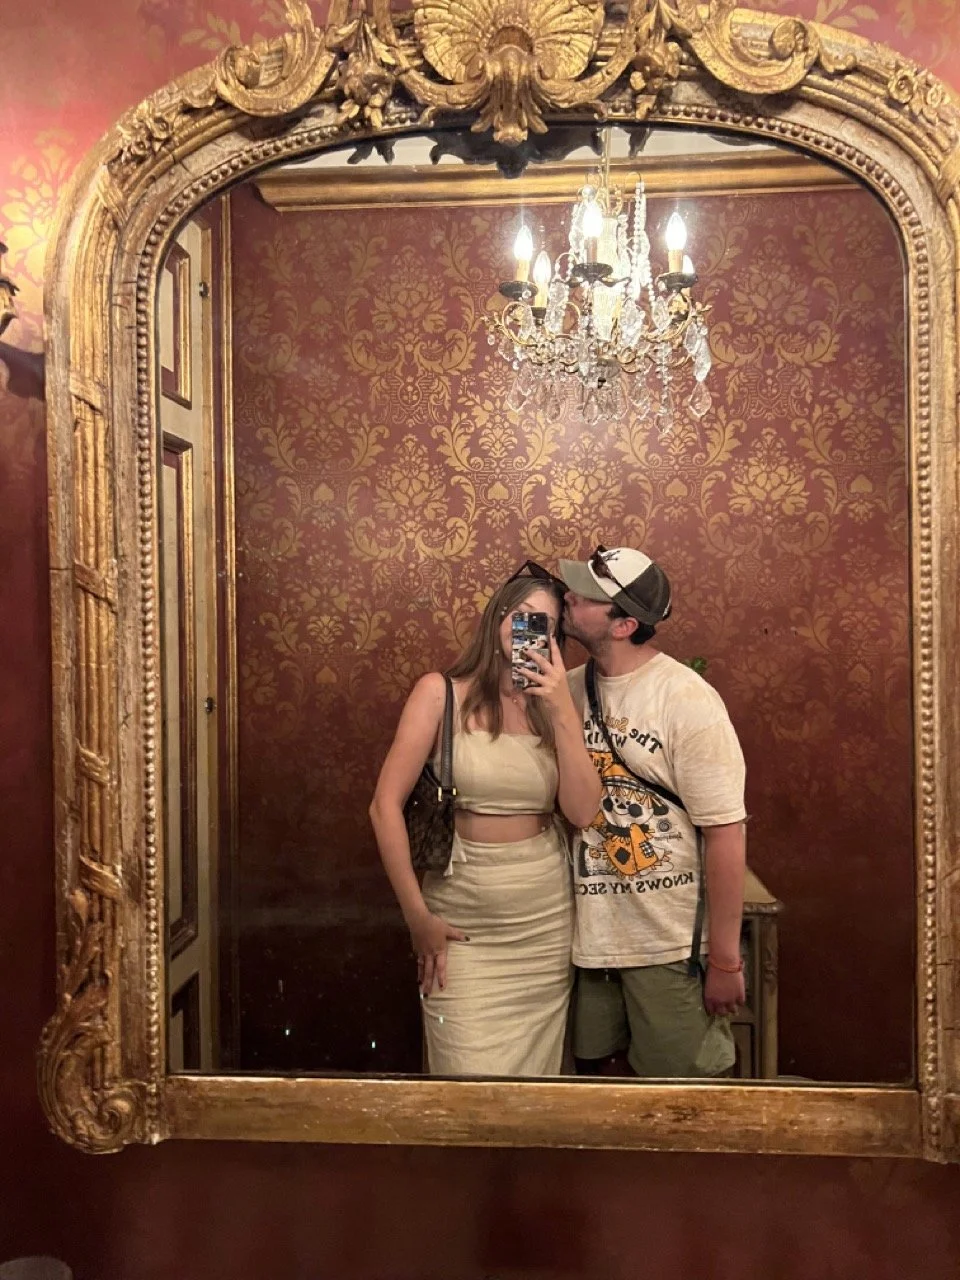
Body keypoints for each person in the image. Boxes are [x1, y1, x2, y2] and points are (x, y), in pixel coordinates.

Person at [369, 564, 602, 1077]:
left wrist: (562, 710)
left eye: (543, 624)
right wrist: (417, 919)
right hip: (461, 921)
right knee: (465, 1080)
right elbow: (384, 806)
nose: (528, 630)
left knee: (535, 1090)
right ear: (497, 617)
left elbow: (584, 811)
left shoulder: (557, 706)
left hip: (543, 925)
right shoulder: (440, 693)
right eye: (521, 616)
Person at [558, 545, 747, 1079]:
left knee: (683, 1097)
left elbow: (726, 833)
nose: (568, 597)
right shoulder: (566, 691)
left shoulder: (685, 698)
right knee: (600, 1087)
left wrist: (725, 960)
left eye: (585, 596)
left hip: (670, 944)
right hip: (592, 943)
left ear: (623, 626)